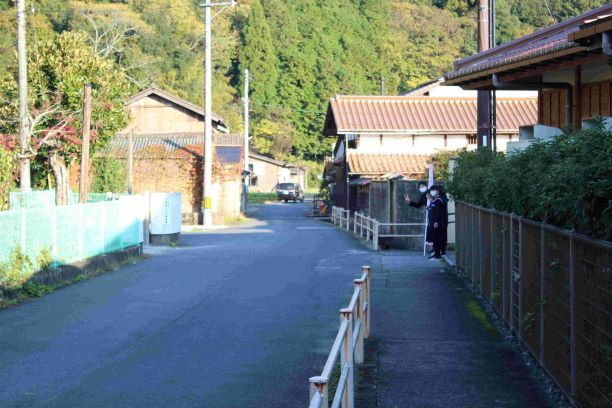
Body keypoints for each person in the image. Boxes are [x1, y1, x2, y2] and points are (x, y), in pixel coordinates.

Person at [427, 185, 447, 259]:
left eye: (433, 190)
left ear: (438, 191)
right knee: (434, 239)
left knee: (437, 238)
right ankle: (436, 253)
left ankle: (438, 254)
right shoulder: (434, 201)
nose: (431, 192)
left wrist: (436, 222)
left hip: (437, 223)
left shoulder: (439, 201)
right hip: (432, 222)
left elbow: (438, 213)